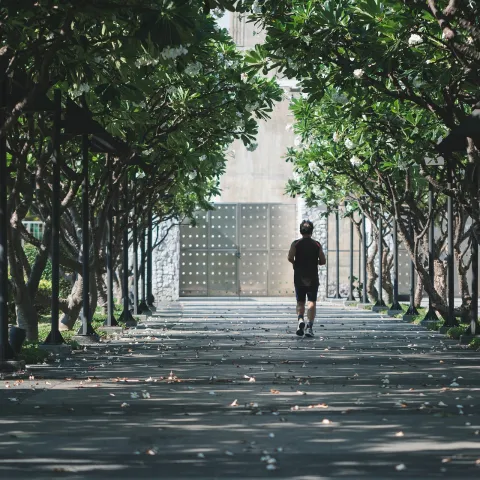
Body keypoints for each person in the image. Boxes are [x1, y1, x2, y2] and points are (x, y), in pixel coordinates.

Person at [287, 220, 326, 337]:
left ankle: (300, 320)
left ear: (300, 231)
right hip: (312, 277)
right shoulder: (317, 244)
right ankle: (309, 326)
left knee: (300, 301)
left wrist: (295, 263)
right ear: (312, 231)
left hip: (299, 277)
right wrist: (315, 262)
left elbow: (290, 257)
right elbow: (323, 261)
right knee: (312, 302)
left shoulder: (295, 244)